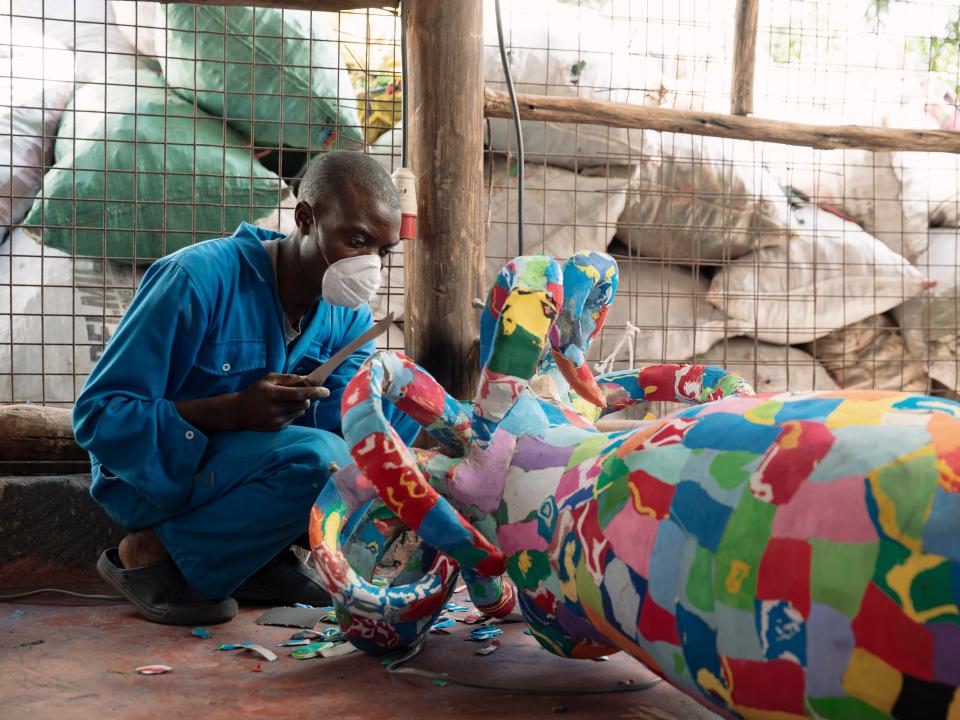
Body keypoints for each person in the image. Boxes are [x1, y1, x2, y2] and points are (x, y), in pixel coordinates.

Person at [73, 151, 419, 625]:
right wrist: (231, 410)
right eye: (356, 241)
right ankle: (153, 553)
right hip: (155, 476)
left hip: (255, 463)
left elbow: (341, 420)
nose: (370, 267)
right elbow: (99, 416)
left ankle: (256, 559)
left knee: (400, 422)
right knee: (320, 459)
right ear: (305, 218)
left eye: (382, 251)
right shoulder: (195, 279)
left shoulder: (348, 314)